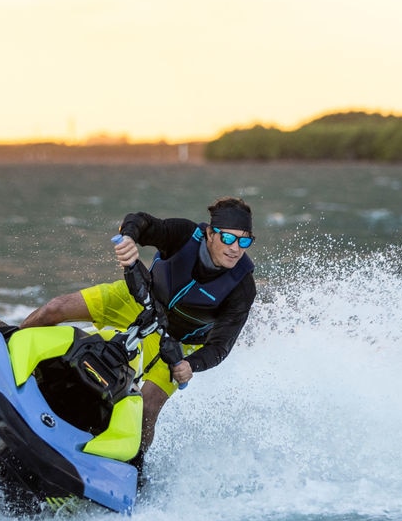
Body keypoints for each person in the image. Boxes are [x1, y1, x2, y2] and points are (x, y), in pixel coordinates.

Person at [20, 196, 257, 466]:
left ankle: (134, 467)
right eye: (228, 238)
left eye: (244, 241)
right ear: (210, 234)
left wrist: (190, 365)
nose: (235, 249)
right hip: (138, 301)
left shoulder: (242, 288)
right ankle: (4, 348)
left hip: (176, 342)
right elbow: (140, 221)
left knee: (148, 406)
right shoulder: (183, 235)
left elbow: (220, 346)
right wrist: (129, 239)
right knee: (55, 308)